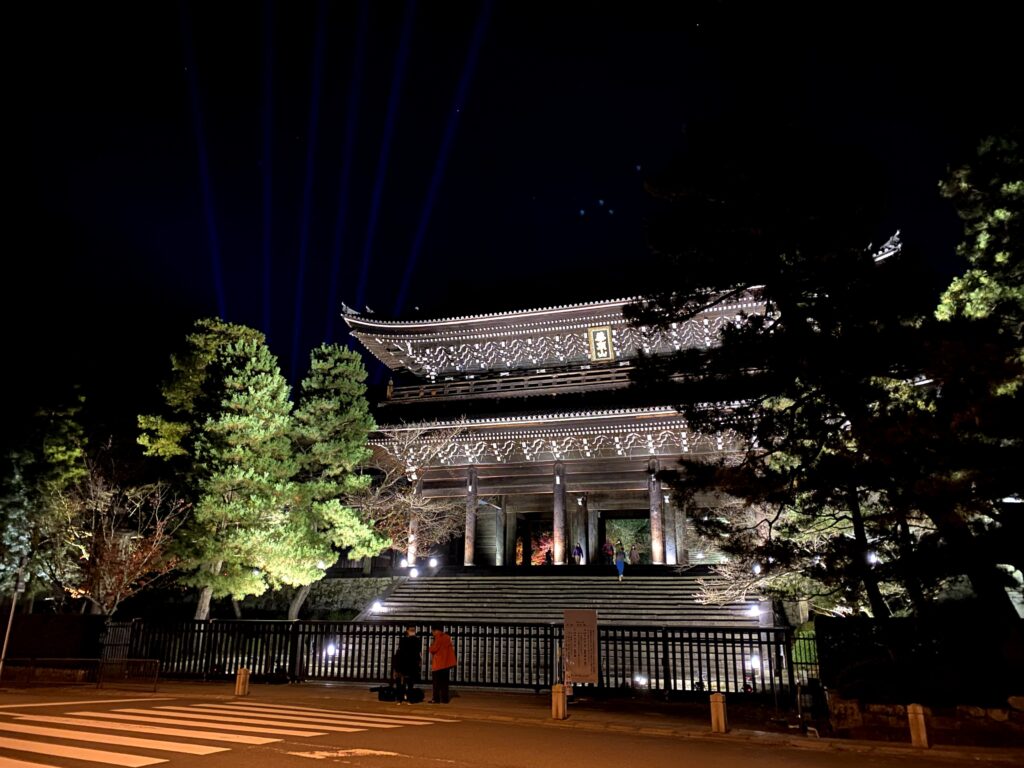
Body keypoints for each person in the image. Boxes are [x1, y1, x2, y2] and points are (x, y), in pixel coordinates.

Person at [392, 625, 421, 704]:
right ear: (407, 631)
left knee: (409, 681)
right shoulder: (406, 639)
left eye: (413, 630)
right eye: (411, 630)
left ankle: (407, 698)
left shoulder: (415, 640)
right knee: (402, 681)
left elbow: (417, 650)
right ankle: (401, 698)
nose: (412, 631)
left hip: (410, 662)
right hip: (405, 662)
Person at [428, 624, 457, 703]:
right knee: (445, 683)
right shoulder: (447, 637)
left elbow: (433, 649)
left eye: (433, 631)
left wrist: (430, 647)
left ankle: (436, 699)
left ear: (436, 630)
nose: (432, 633)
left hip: (438, 664)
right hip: (446, 664)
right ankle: (445, 699)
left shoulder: (438, 637)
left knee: (436, 683)